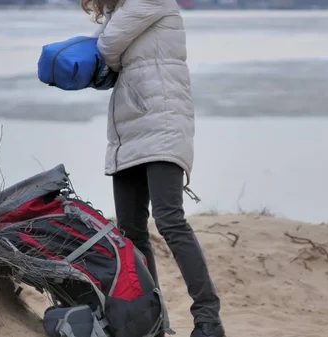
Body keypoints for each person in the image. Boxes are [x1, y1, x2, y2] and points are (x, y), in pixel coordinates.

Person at [81, 0, 226, 336]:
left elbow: (106, 47)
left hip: (162, 122)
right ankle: (155, 322)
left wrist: (106, 54)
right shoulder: (126, 10)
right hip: (129, 128)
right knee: (131, 232)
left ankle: (208, 319)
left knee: (170, 220)